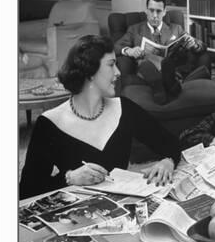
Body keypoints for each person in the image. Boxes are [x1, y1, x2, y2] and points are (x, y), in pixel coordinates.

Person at [20, 35, 181, 200]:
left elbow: (172, 144)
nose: (118, 73)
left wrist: (167, 162)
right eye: (111, 65)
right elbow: (27, 191)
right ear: (90, 72)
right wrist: (69, 178)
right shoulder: (49, 123)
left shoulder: (124, 108)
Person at [114, 0, 210, 104]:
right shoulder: (135, 30)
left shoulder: (176, 29)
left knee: (168, 63)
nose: (155, 15)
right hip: (146, 69)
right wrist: (129, 51)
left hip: (171, 69)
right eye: (151, 10)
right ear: (146, 11)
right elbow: (116, 46)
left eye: (158, 11)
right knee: (146, 65)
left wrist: (194, 44)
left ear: (164, 12)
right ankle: (166, 87)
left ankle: (164, 85)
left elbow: (201, 45)